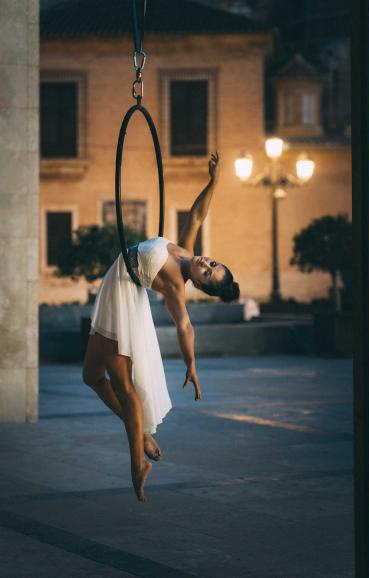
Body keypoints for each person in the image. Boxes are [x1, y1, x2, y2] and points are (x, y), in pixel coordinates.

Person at [82, 152, 240, 501]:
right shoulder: (185, 251)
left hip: (122, 298)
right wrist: (213, 181)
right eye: (213, 263)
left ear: (200, 284)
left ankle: (137, 463)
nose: (206, 264)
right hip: (115, 286)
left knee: (124, 387)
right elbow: (198, 213)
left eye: (208, 273)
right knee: (91, 377)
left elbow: (184, 325)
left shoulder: (175, 286)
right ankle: (142, 438)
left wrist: (192, 364)